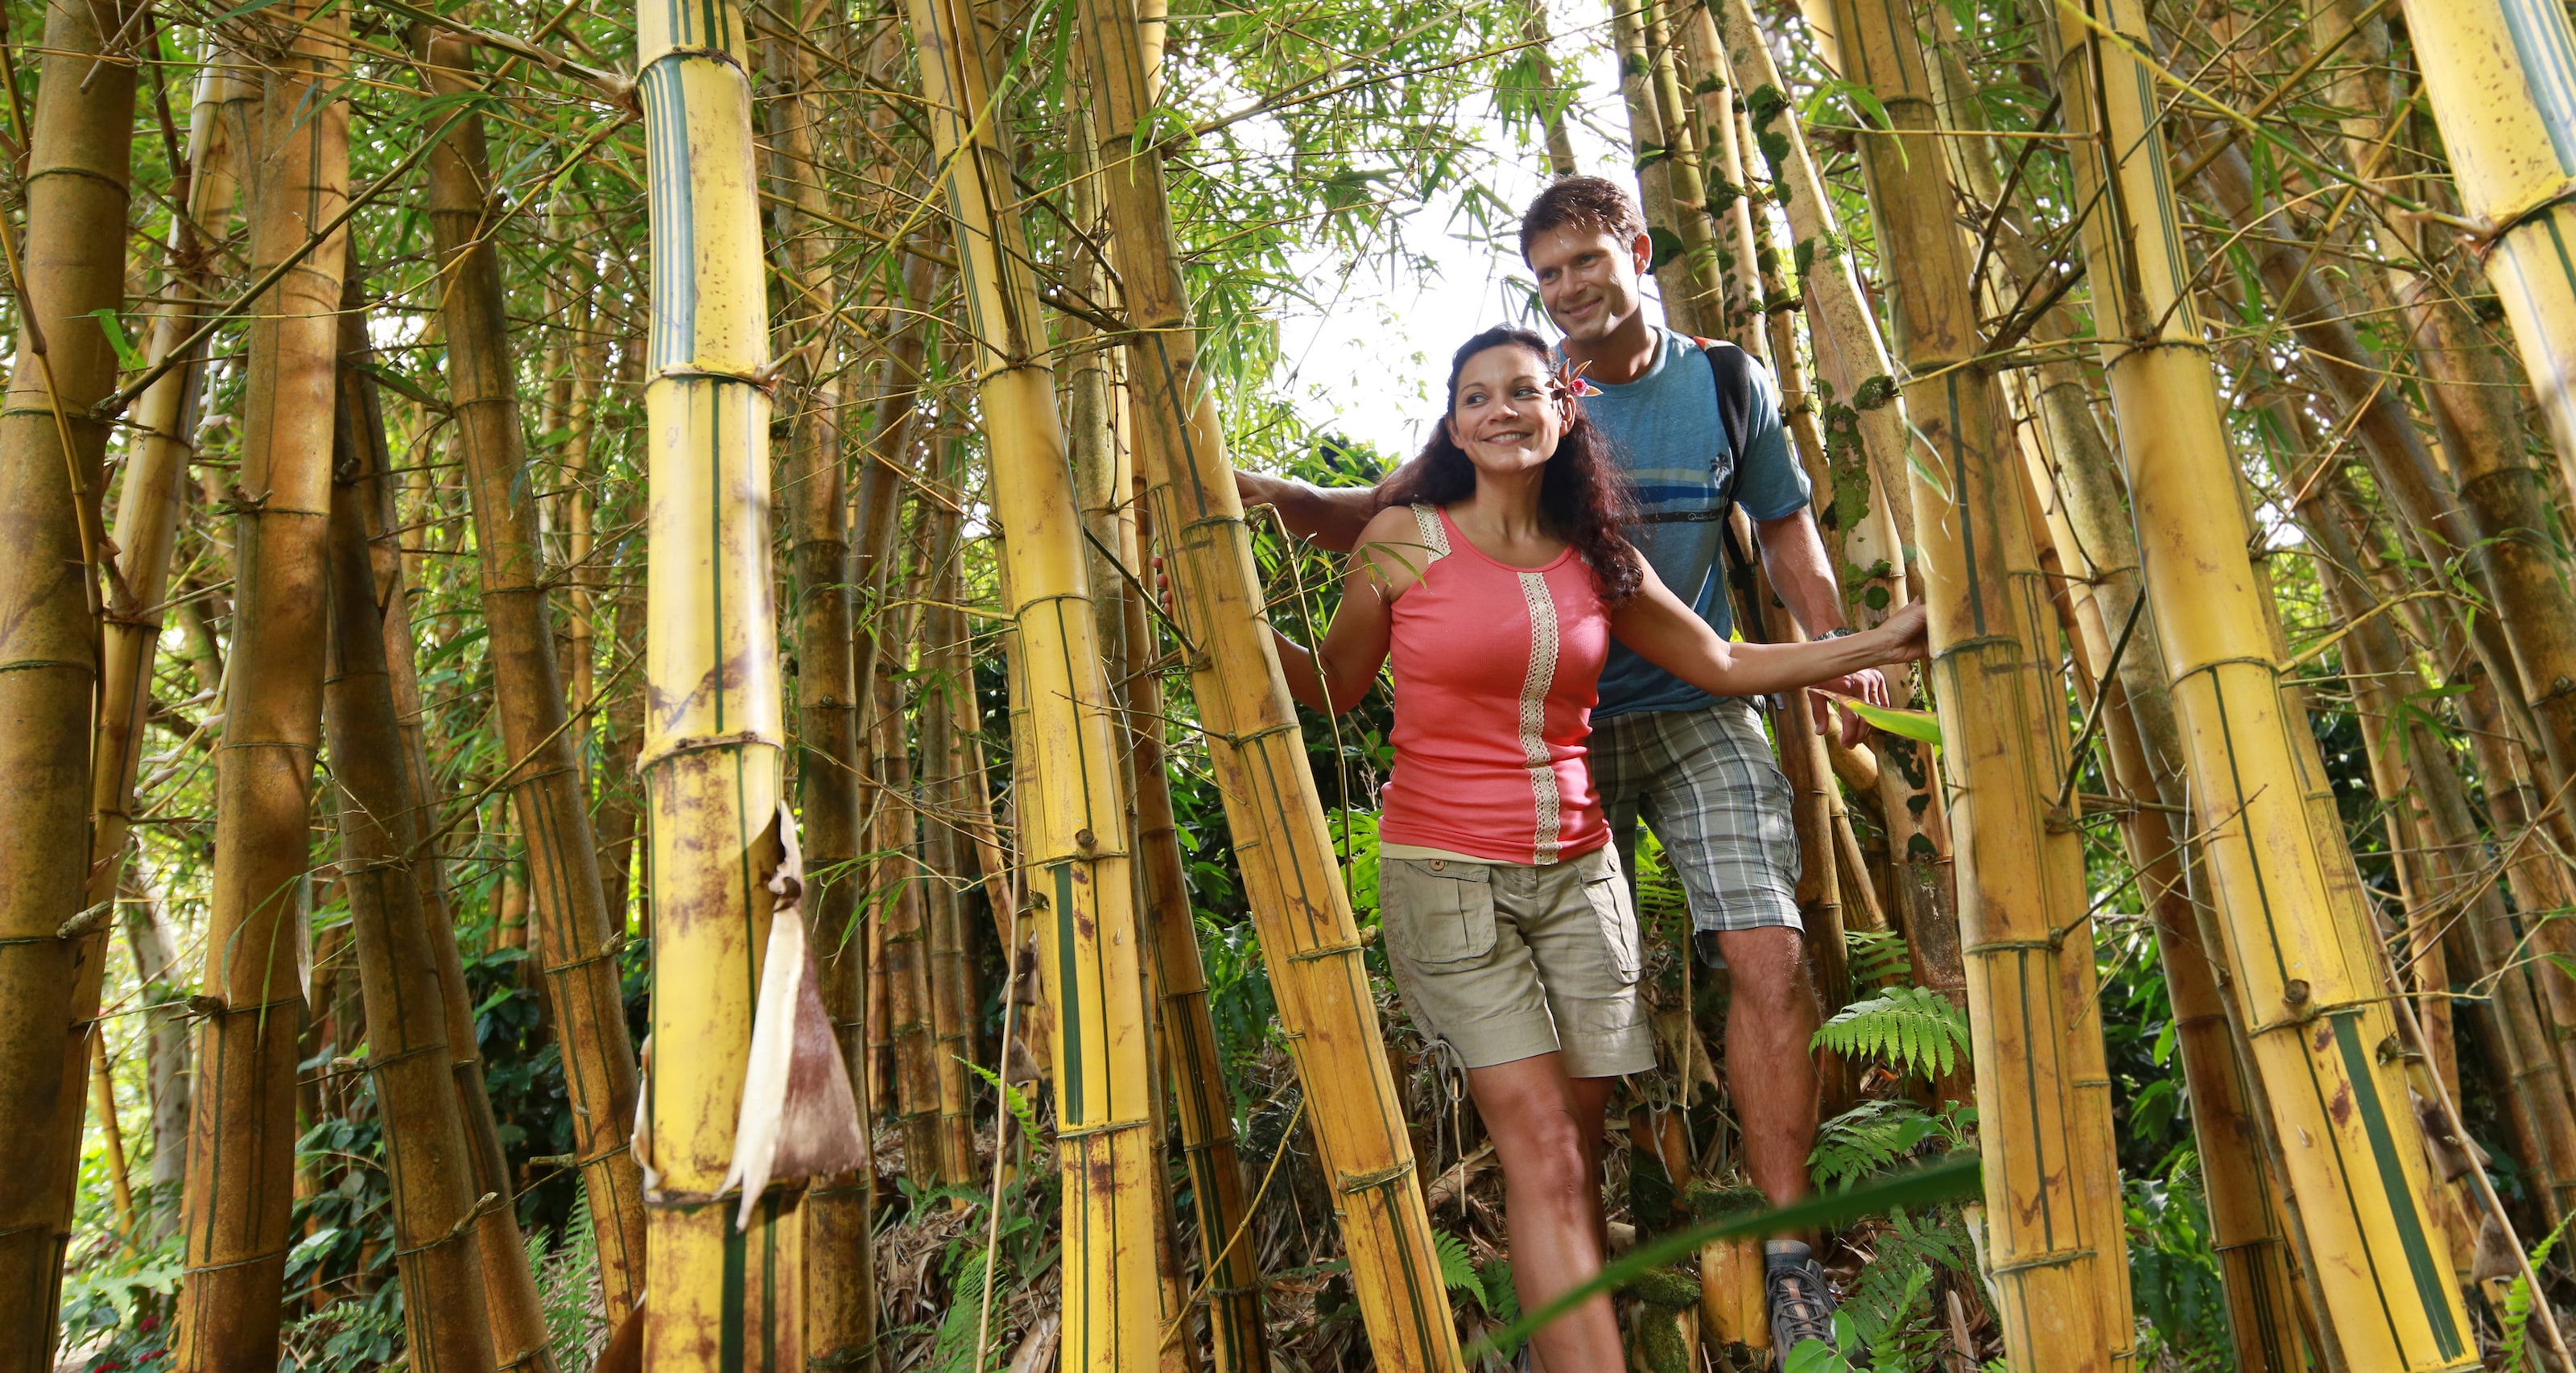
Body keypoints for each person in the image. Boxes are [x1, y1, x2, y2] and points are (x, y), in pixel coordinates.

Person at [1243, 176, 1882, 1365]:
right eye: (1549, 275)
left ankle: (1788, 1250)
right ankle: (1615, 1258)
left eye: (1588, 261)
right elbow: (1379, 524)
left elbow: (1782, 551)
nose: (1573, 287)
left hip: (1690, 701)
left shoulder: (1723, 383)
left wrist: (1847, 660)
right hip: (1544, 742)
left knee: (1765, 948)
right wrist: (1257, 505)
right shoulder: (1506, 418)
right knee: (1563, 1097)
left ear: (1635, 253)